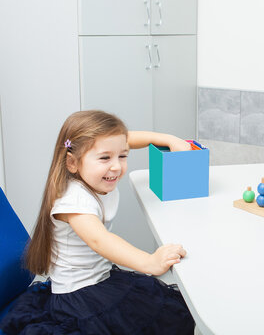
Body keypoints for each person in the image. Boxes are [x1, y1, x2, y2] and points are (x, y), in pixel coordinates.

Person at [0, 110, 195, 334]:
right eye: (105, 158)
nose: (116, 166)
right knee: (165, 317)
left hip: (99, 277)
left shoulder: (94, 174)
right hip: (80, 296)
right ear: (72, 163)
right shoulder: (73, 200)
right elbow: (99, 240)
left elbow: (125, 138)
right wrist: (149, 262)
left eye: (122, 156)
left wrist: (166, 139)